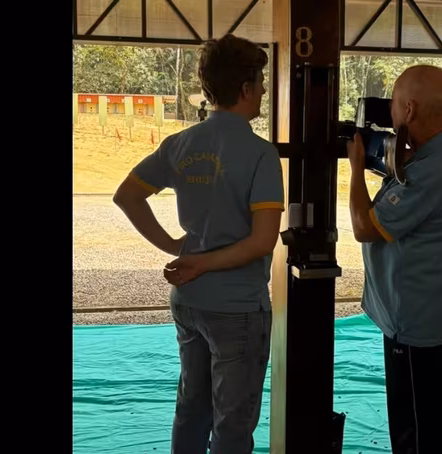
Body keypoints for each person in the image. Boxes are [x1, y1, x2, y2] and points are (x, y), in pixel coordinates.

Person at [112, 34, 283, 454]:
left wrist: (177, 248)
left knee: (192, 408)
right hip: (238, 309)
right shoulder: (261, 154)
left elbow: (127, 196)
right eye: (261, 83)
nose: (264, 91)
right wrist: (199, 261)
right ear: (245, 89)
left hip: (188, 300)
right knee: (232, 423)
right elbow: (263, 241)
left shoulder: (180, 143)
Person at [346, 65, 442, 453]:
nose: (390, 112)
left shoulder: (434, 168)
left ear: (410, 109)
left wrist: (356, 167)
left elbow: (365, 227)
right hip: (433, 312)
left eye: (394, 104)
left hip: (413, 322)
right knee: (429, 423)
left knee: (414, 434)